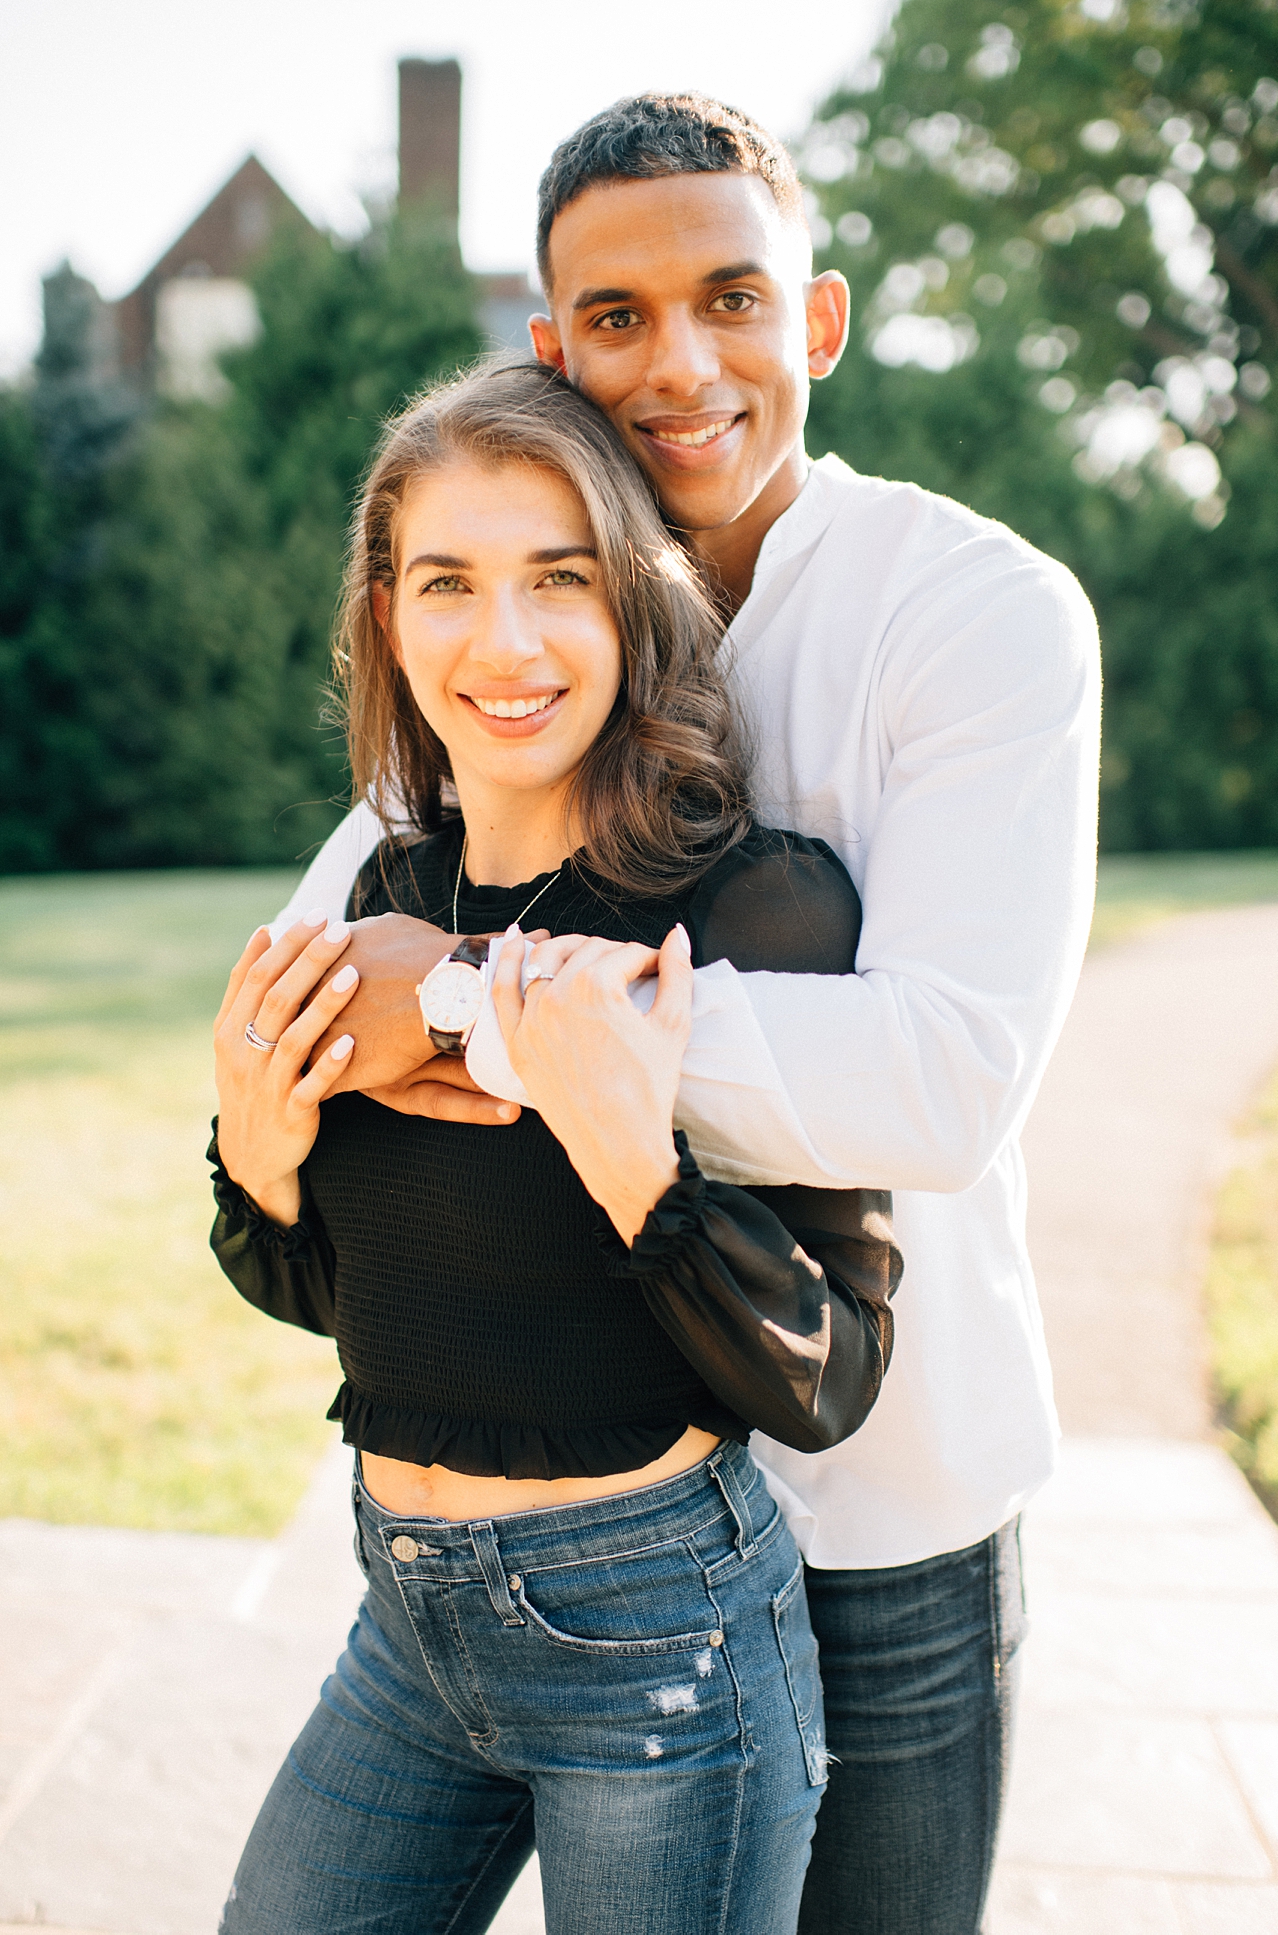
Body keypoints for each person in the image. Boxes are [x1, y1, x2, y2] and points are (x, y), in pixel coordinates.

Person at [278, 96, 1101, 1935]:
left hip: (876, 1506)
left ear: (812, 323)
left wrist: (485, 1010)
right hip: (580, 1520)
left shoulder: (977, 613)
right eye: (619, 321)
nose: (681, 367)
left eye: (731, 299)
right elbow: (309, 967)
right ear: (552, 353)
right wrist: (376, 1019)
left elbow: (940, 1080)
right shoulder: (540, 618)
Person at [209, 361, 901, 1935]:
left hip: (663, 1650)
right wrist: (252, 1162)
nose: (502, 642)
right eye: (448, 582)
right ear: (390, 618)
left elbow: (831, 1367)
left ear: (631, 610)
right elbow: (347, 1292)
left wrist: (633, 1168)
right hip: (405, 1623)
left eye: (557, 582)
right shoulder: (378, 899)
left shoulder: (750, 910)